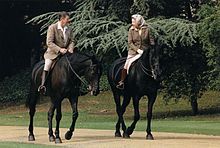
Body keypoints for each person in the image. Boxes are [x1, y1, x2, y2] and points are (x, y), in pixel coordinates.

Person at [38, 11, 75, 94]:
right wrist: (59, 49)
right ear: (62, 19)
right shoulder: (52, 27)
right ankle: (43, 86)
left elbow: (72, 41)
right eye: (67, 19)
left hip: (66, 53)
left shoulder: (69, 29)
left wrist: (71, 48)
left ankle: (75, 87)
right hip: (52, 53)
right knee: (47, 65)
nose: (68, 21)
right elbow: (49, 42)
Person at [116, 14, 155, 89]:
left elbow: (151, 41)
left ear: (139, 22)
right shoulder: (131, 30)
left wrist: (152, 48)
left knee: (154, 63)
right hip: (133, 52)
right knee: (127, 65)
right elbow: (130, 43)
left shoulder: (147, 29)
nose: (132, 23)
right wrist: (137, 50)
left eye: (134, 21)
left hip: (145, 52)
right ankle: (122, 81)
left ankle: (156, 80)